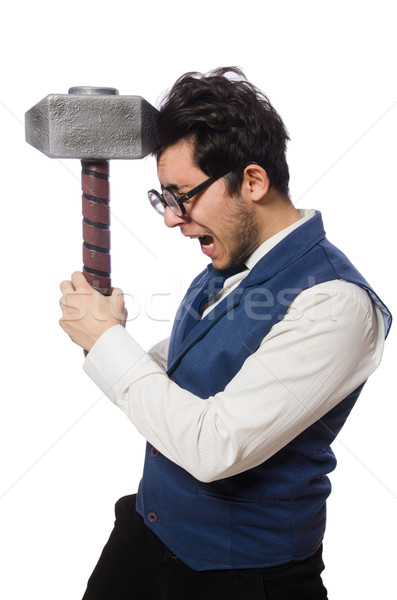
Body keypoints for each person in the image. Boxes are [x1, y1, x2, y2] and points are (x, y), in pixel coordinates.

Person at [59, 67, 392, 600]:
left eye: (183, 194)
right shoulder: (227, 260)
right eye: (164, 196)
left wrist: (105, 343)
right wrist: (111, 333)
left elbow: (215, 447)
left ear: (253, 182)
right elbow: (180, 375)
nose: (172, 219)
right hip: (146, 537)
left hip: (244, 580)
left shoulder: (337, 306)